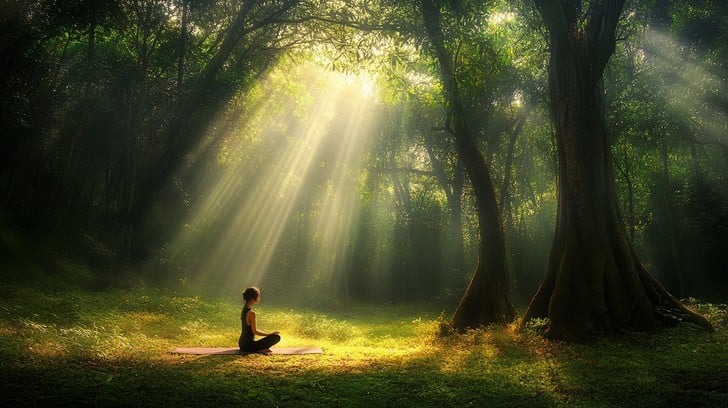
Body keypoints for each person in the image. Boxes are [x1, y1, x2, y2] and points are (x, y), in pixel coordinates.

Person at [239, 287, 281, 353]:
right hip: (248, 346)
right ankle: (258, 350)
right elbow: (254, 331)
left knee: (274, 337)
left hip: (241, 344)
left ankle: (258, 349)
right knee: (276, 337)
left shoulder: (244, 309)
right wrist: (270, 334)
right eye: (258, 296)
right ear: (253, 298)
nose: (259, 298)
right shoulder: (251, 313)